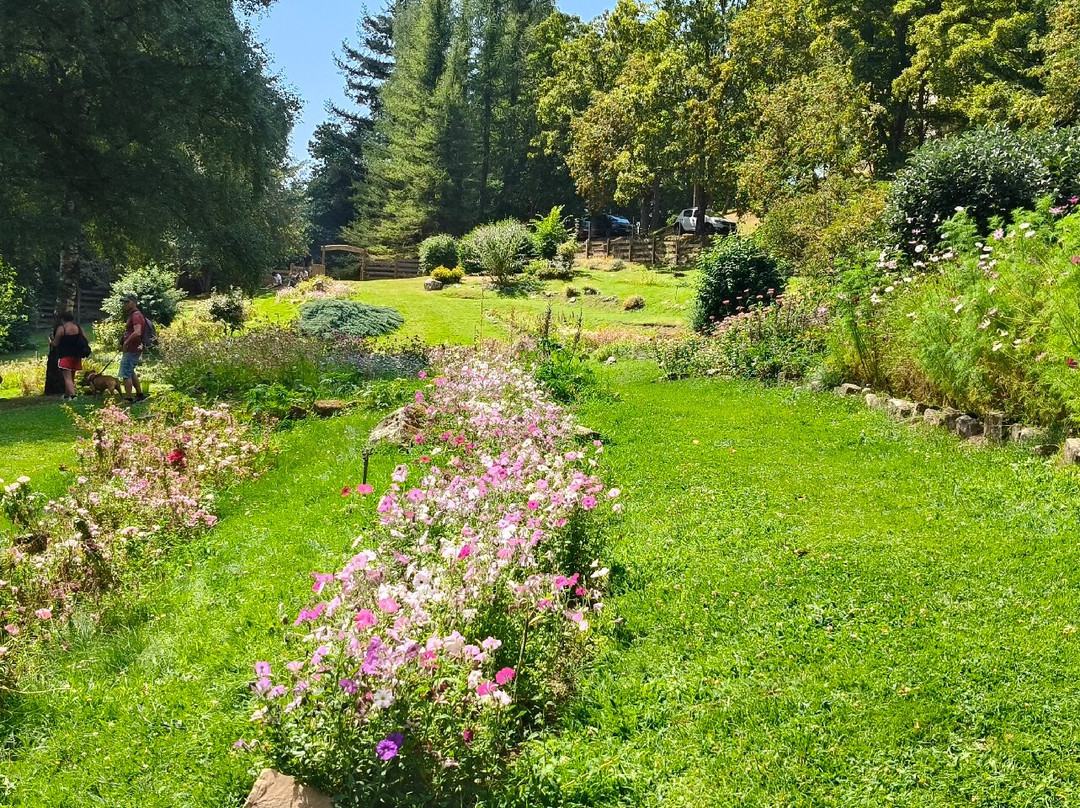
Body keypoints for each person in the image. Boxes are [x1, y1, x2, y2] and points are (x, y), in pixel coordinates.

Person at [48, 312, 87, 400]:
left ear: (62, 319)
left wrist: (50, 342)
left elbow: (55, 343)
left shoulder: (62, 329)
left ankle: (73, 396)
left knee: (67, 378)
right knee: (71, 376)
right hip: (77, 355)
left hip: (65, 355)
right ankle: (67, 395)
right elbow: (85, 339)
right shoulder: (78, 328)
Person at [119, 293, 148, 403]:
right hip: (134, 348)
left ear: (134, 302)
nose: (125, 304)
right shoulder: (134, 315)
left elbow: (137, 332)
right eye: (124, 302)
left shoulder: (136, 315)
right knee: (130, 372)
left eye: (127, 302)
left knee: (126, 372)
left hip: (132, 349)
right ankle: (140, 395)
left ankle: (129, 398)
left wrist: (126, 342)